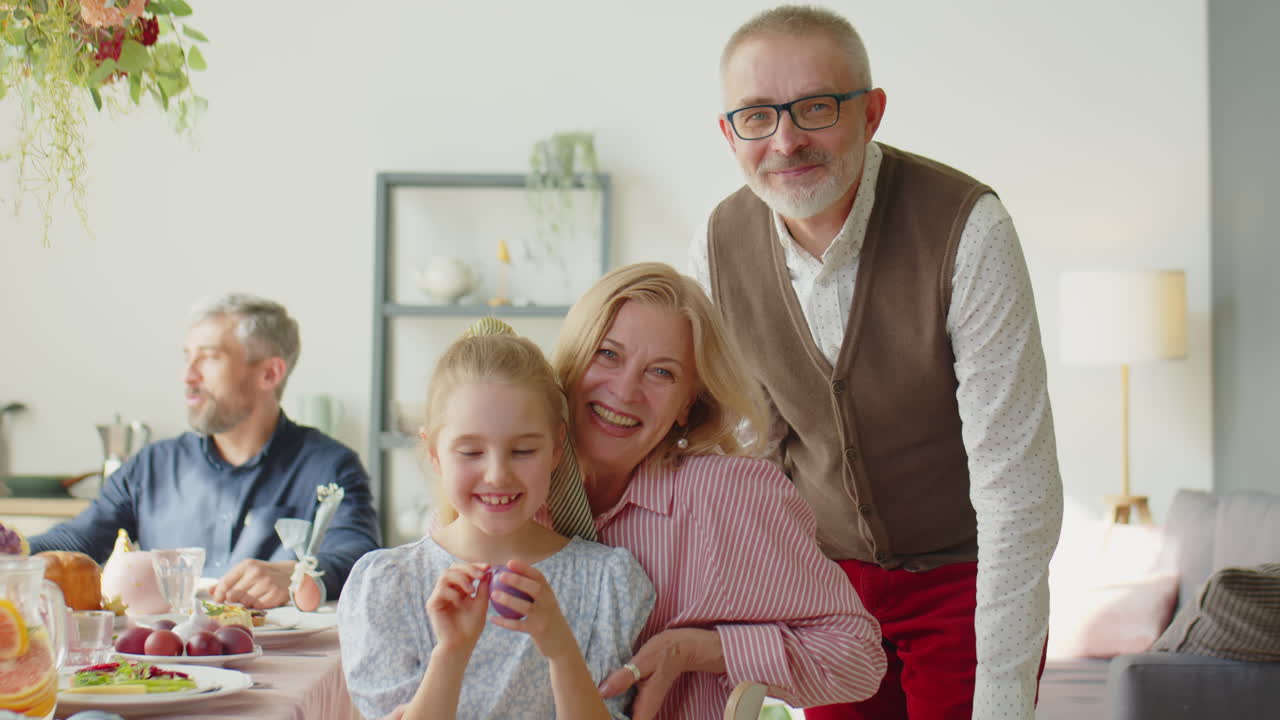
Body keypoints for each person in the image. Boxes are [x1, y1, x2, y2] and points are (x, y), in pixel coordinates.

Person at [687, 6, 1065, 720]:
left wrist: (1003, 696)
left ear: (872, 112)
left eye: (817, 107)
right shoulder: (716, 246)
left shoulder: (968, 228)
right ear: (728, 132)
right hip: (829, 591)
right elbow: (752, 459)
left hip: (967, 582)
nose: (787, 139)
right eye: (757, 116)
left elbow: (1019, 487)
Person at [545, 262, 886, 720]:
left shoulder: (725, 497)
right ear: (572, 358)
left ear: (688, 402)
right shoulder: (509, 487)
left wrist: (693, 649)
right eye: (607, 354)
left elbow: (857, 660)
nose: (625, 391)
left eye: (661, 373)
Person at [338, 320, 655, 720]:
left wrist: (561, 649)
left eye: (523, 450)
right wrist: (450, 654)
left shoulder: (606, 582)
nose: (497, 474)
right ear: (434, 453)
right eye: (471, 452)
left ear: (557, 448)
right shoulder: (389, 584)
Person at [29, 294, 381, 608]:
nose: (187, 375)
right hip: (166, 667)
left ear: (269, 374)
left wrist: (299, 575)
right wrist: (9, 547)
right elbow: (76, 540)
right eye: (187, 358)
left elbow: (360, 558)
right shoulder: (151, 466)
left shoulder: (331, 466)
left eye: (209, 358)